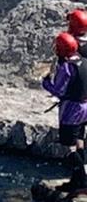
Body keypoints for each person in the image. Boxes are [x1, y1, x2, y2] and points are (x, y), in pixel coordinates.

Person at [41, 32, 87, 193]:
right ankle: (77, 180)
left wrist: (45, 81)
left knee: (68, 147)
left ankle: (81, 180)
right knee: (79, 140)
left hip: (71, 110)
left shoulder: (68, 67)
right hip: (85, 107)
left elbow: (59, 90)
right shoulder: (84, 61)